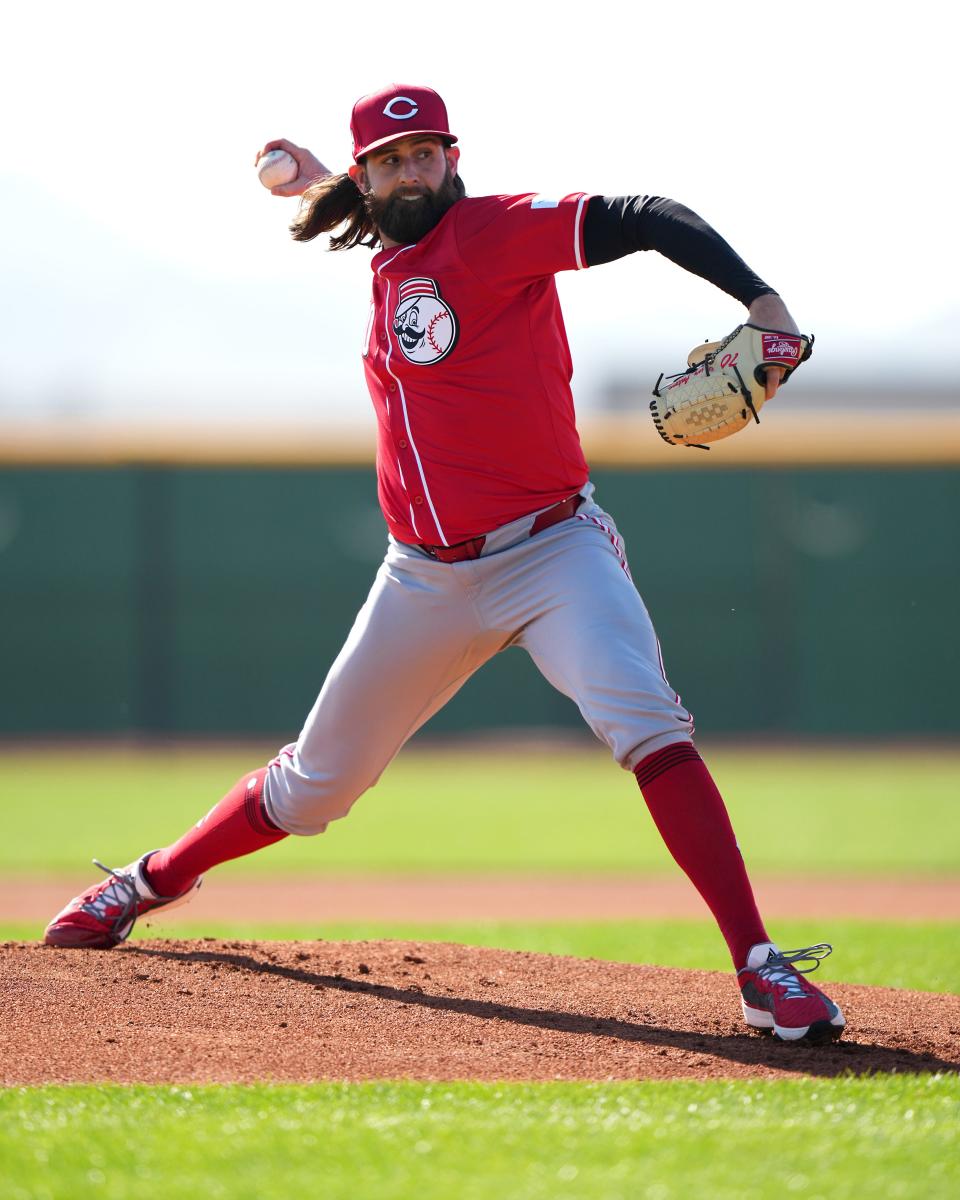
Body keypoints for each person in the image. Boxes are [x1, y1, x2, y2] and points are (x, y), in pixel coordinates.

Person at [45, 83, 844, 1045]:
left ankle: (761, 968)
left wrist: (761, 301)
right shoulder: (392, 241)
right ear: (369, 179)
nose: (411, 169)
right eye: (390, 160)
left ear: (454, 158)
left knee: (645, 719)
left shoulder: (498, 232)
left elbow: (644, 217)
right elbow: (389, 218)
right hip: (422, 577)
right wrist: (334, 181)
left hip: (553, 550)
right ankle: (151, 879)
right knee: (314, 787)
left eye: (426, 151)